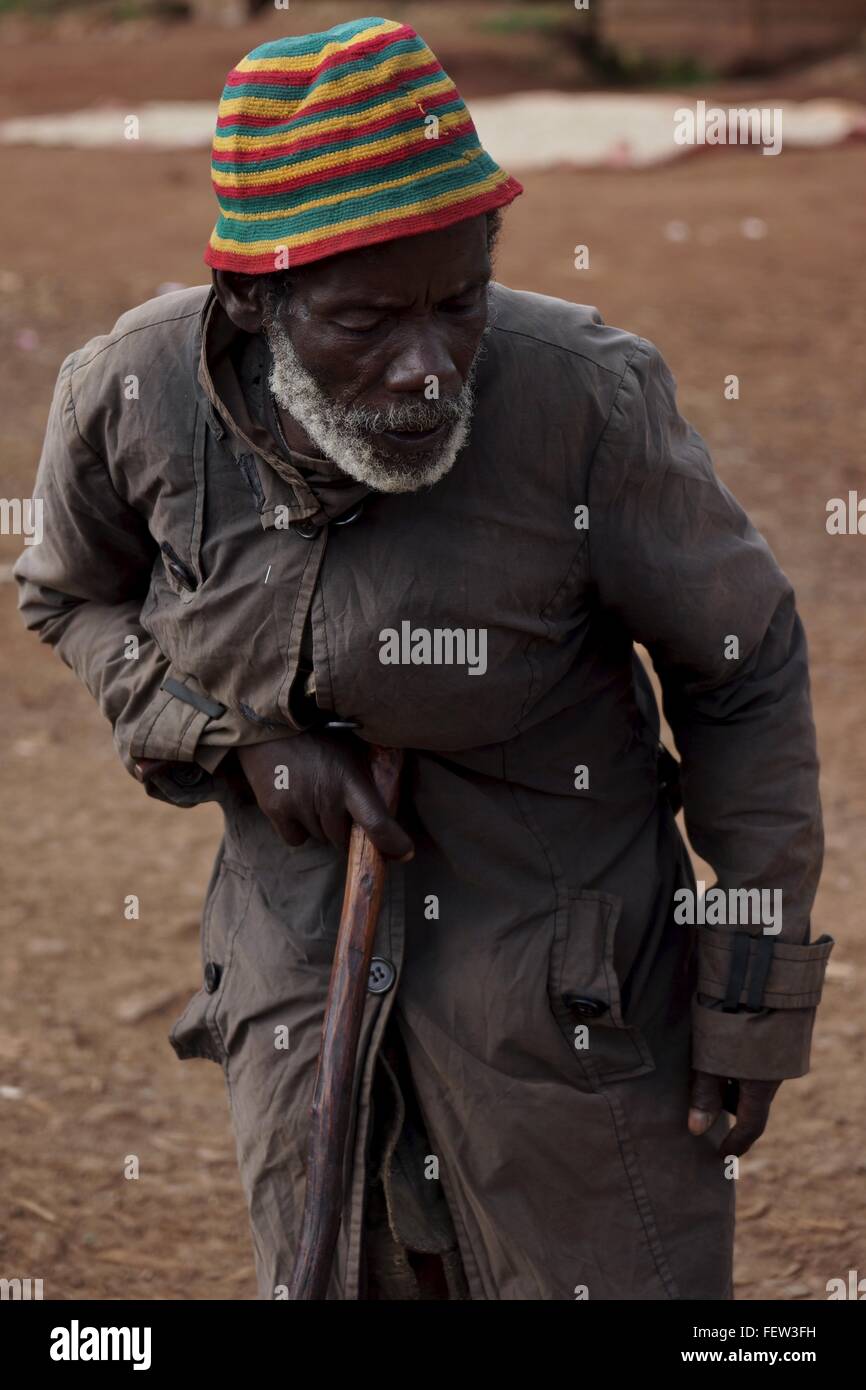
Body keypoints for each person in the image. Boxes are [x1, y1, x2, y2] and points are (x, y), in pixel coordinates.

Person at [15, 17, 832, 1300]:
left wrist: (748, 989)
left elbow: (742, 668)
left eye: (459, 304)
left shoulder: (583, 403)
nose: (425, 369)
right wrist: (238, 738)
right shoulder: (130, 400)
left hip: (571, 1008)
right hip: (295, 974)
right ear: (249, 298)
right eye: (363, 323)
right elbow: (70, 599)